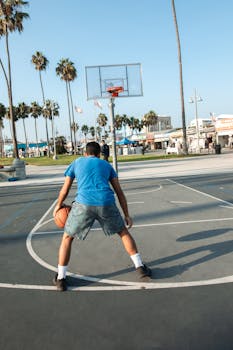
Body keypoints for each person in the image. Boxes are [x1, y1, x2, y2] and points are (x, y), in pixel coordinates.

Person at [53, 141, 151, 291]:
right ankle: (140, 267)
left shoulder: (77, 162)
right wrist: (127, 215)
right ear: (99, 154)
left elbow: (64, 190)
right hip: (106, 202)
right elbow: (119, 192)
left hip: (83, 204)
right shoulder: (106, 165)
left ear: (85, 153)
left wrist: (58, 205)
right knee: (123, 232)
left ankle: (61, 279)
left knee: (67, 238)